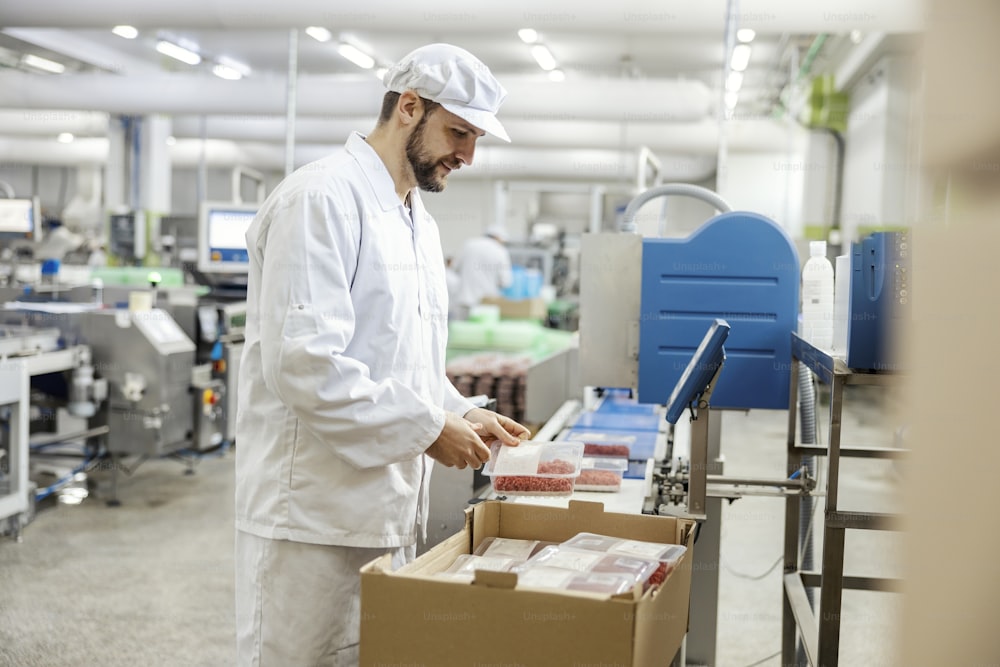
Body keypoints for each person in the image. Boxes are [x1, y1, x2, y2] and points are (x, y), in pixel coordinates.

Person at [234, 43, 530, 667]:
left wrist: (460, 410)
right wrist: (427, 429)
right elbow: (304, 363)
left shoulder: (415, 217)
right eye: (458, 132)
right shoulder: (320, 199)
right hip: (310, 515)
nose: (468, 156)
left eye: (476, 138)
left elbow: (402, 358)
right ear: (409, 107)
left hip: (384, 506)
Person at [452, 224, 514, 319]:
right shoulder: (501, 251)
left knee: (461, 331)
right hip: (486, 304)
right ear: (498, 238)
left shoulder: (469, 244)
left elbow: (455, 268)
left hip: (464, 300)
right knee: (480, 333)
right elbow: (505, 282)